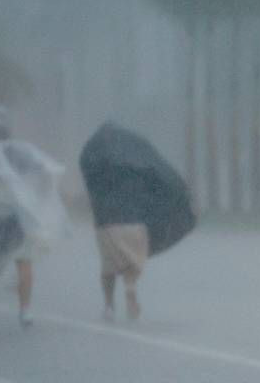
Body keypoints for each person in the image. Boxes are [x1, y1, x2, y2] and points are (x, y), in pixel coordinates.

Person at [79, 122, 196, 322]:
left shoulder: (98, 166)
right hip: (135, 223)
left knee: (108, 267)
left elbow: (89, 182)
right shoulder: (137, 164)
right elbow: (161, 180)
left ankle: (109, 305)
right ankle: (131, 287)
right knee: (132, 263)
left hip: (107, 222)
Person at [0, 106, 68, 328]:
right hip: (21, 214)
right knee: (24, 259)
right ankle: (25, 311)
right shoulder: (23, 150)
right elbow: (42, 169)